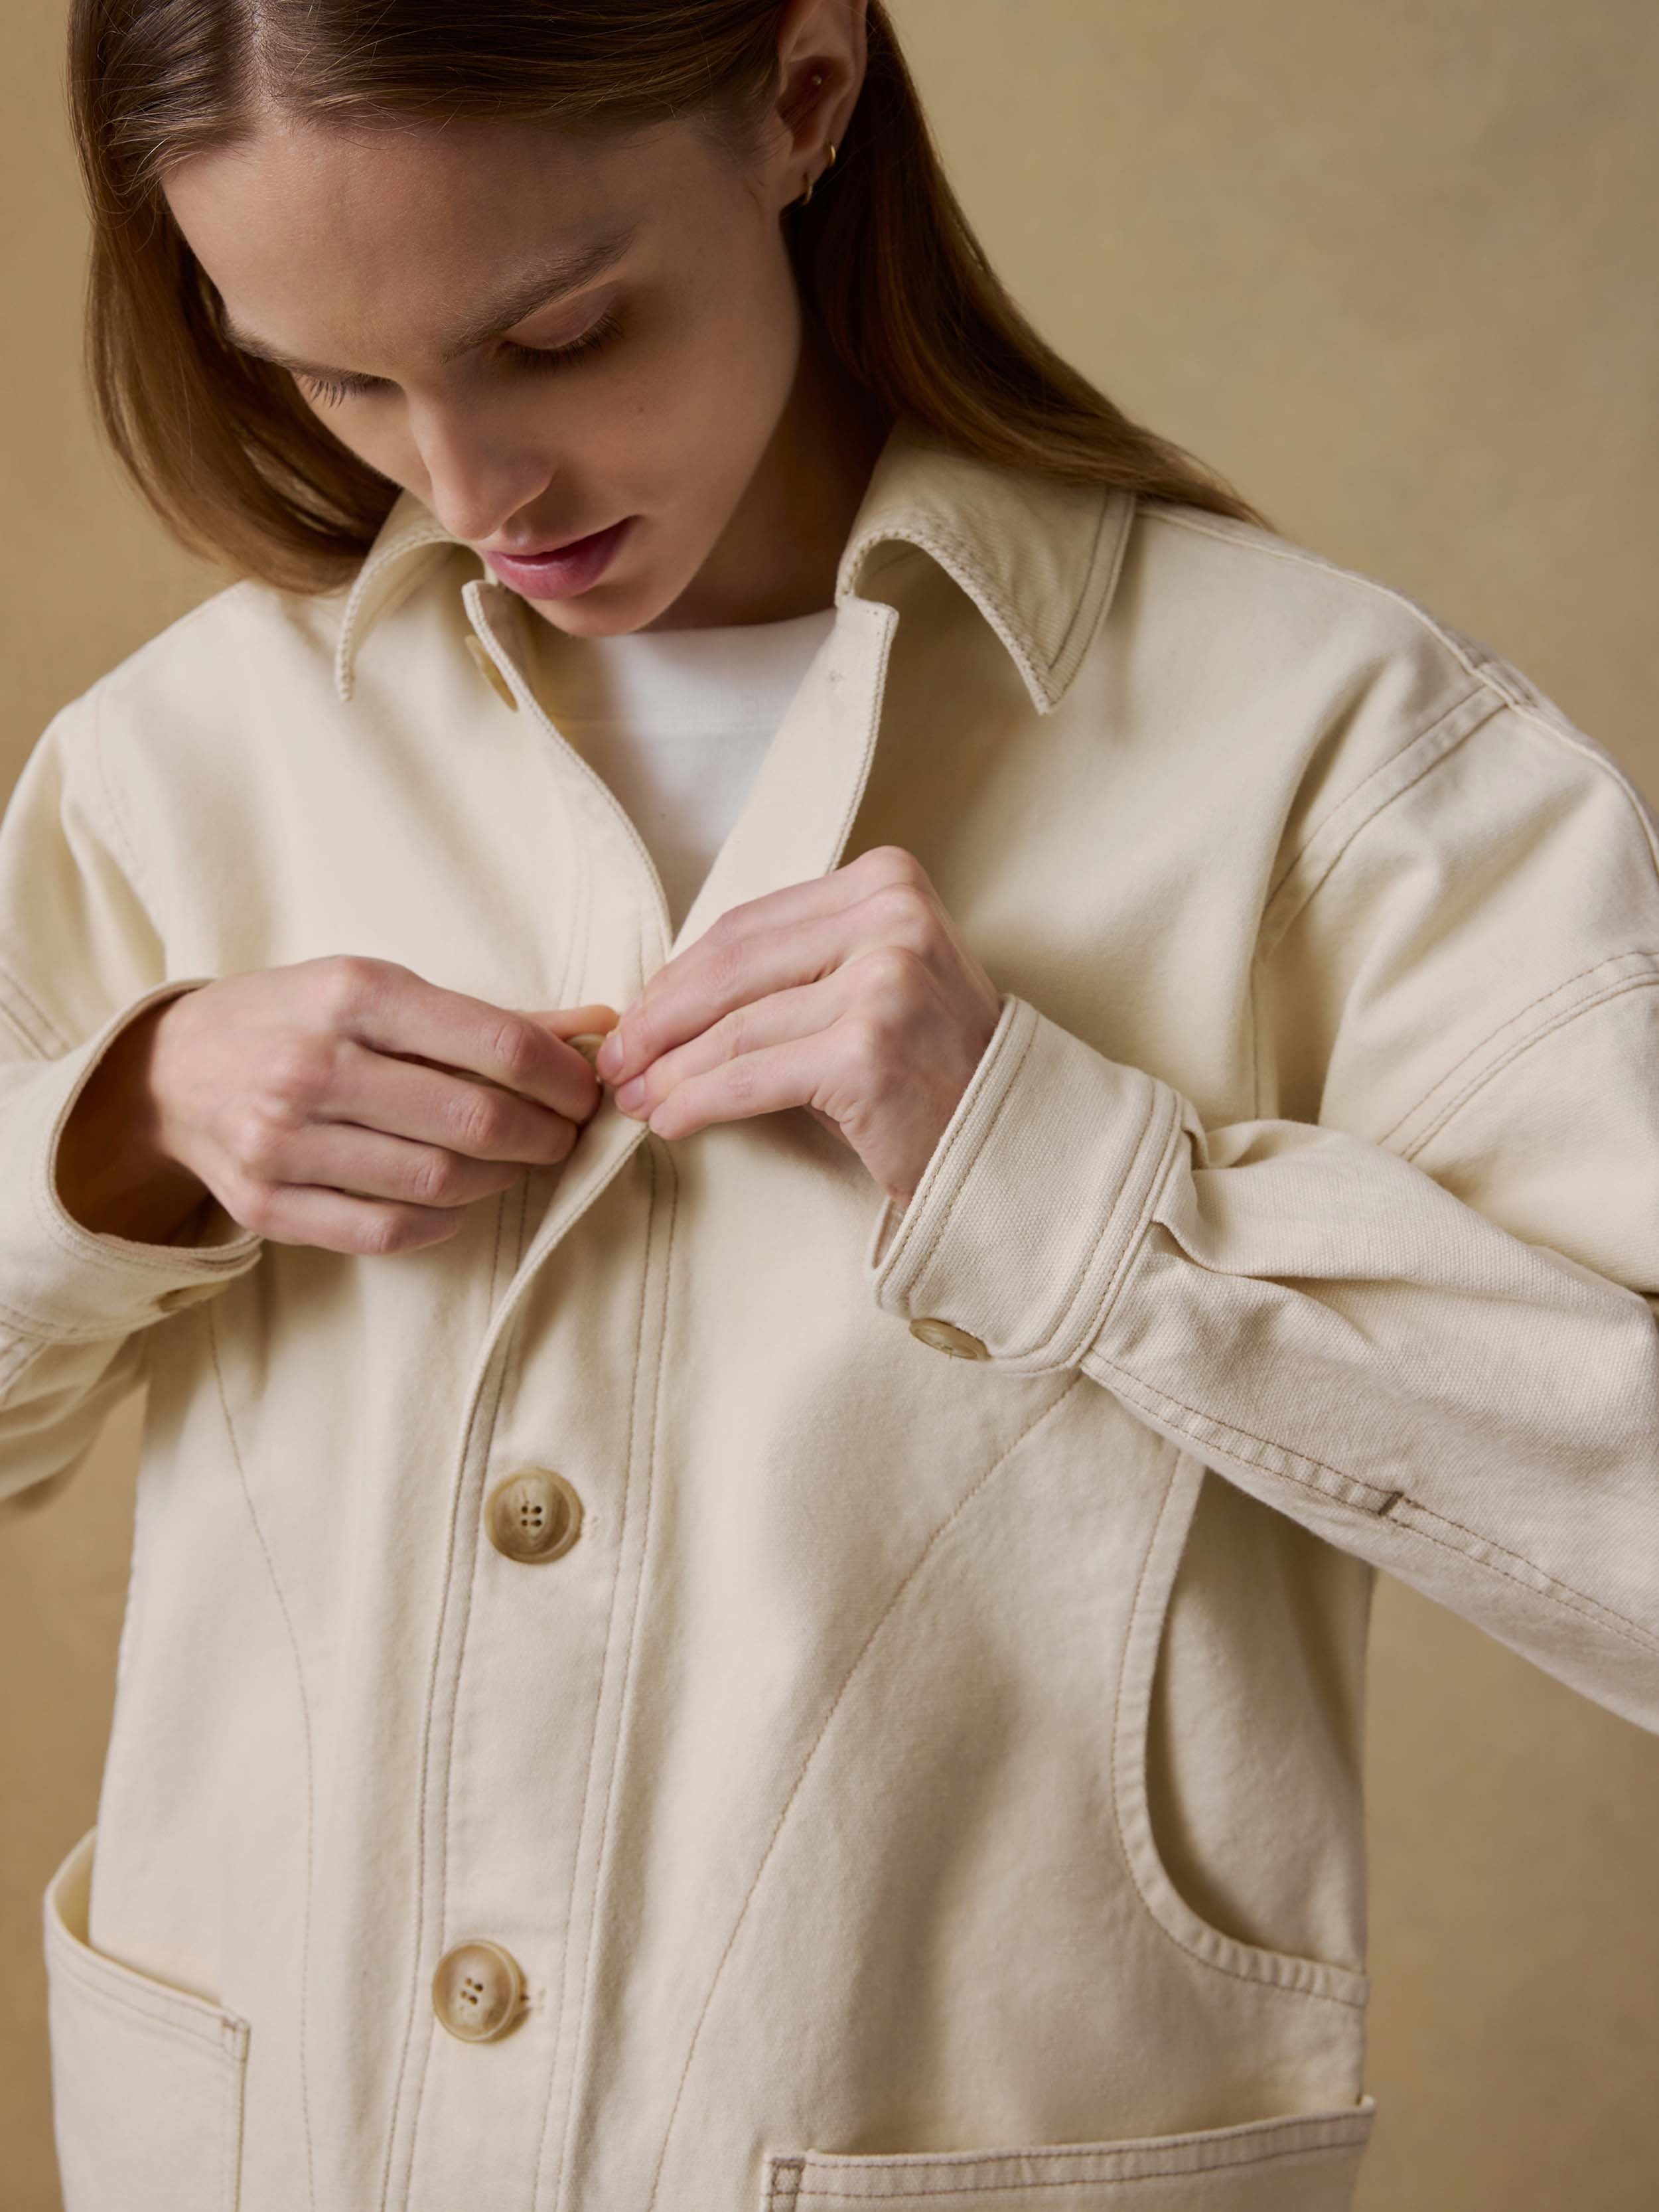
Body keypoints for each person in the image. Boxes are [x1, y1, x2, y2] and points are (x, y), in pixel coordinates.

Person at [7, 2, 1656, 2207]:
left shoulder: (1333, 758)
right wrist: (107, 1143)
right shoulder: (174, 766)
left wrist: (1080, 1194)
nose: (471, 488)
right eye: (328, 376)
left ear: (801, 95)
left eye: (562, 332)